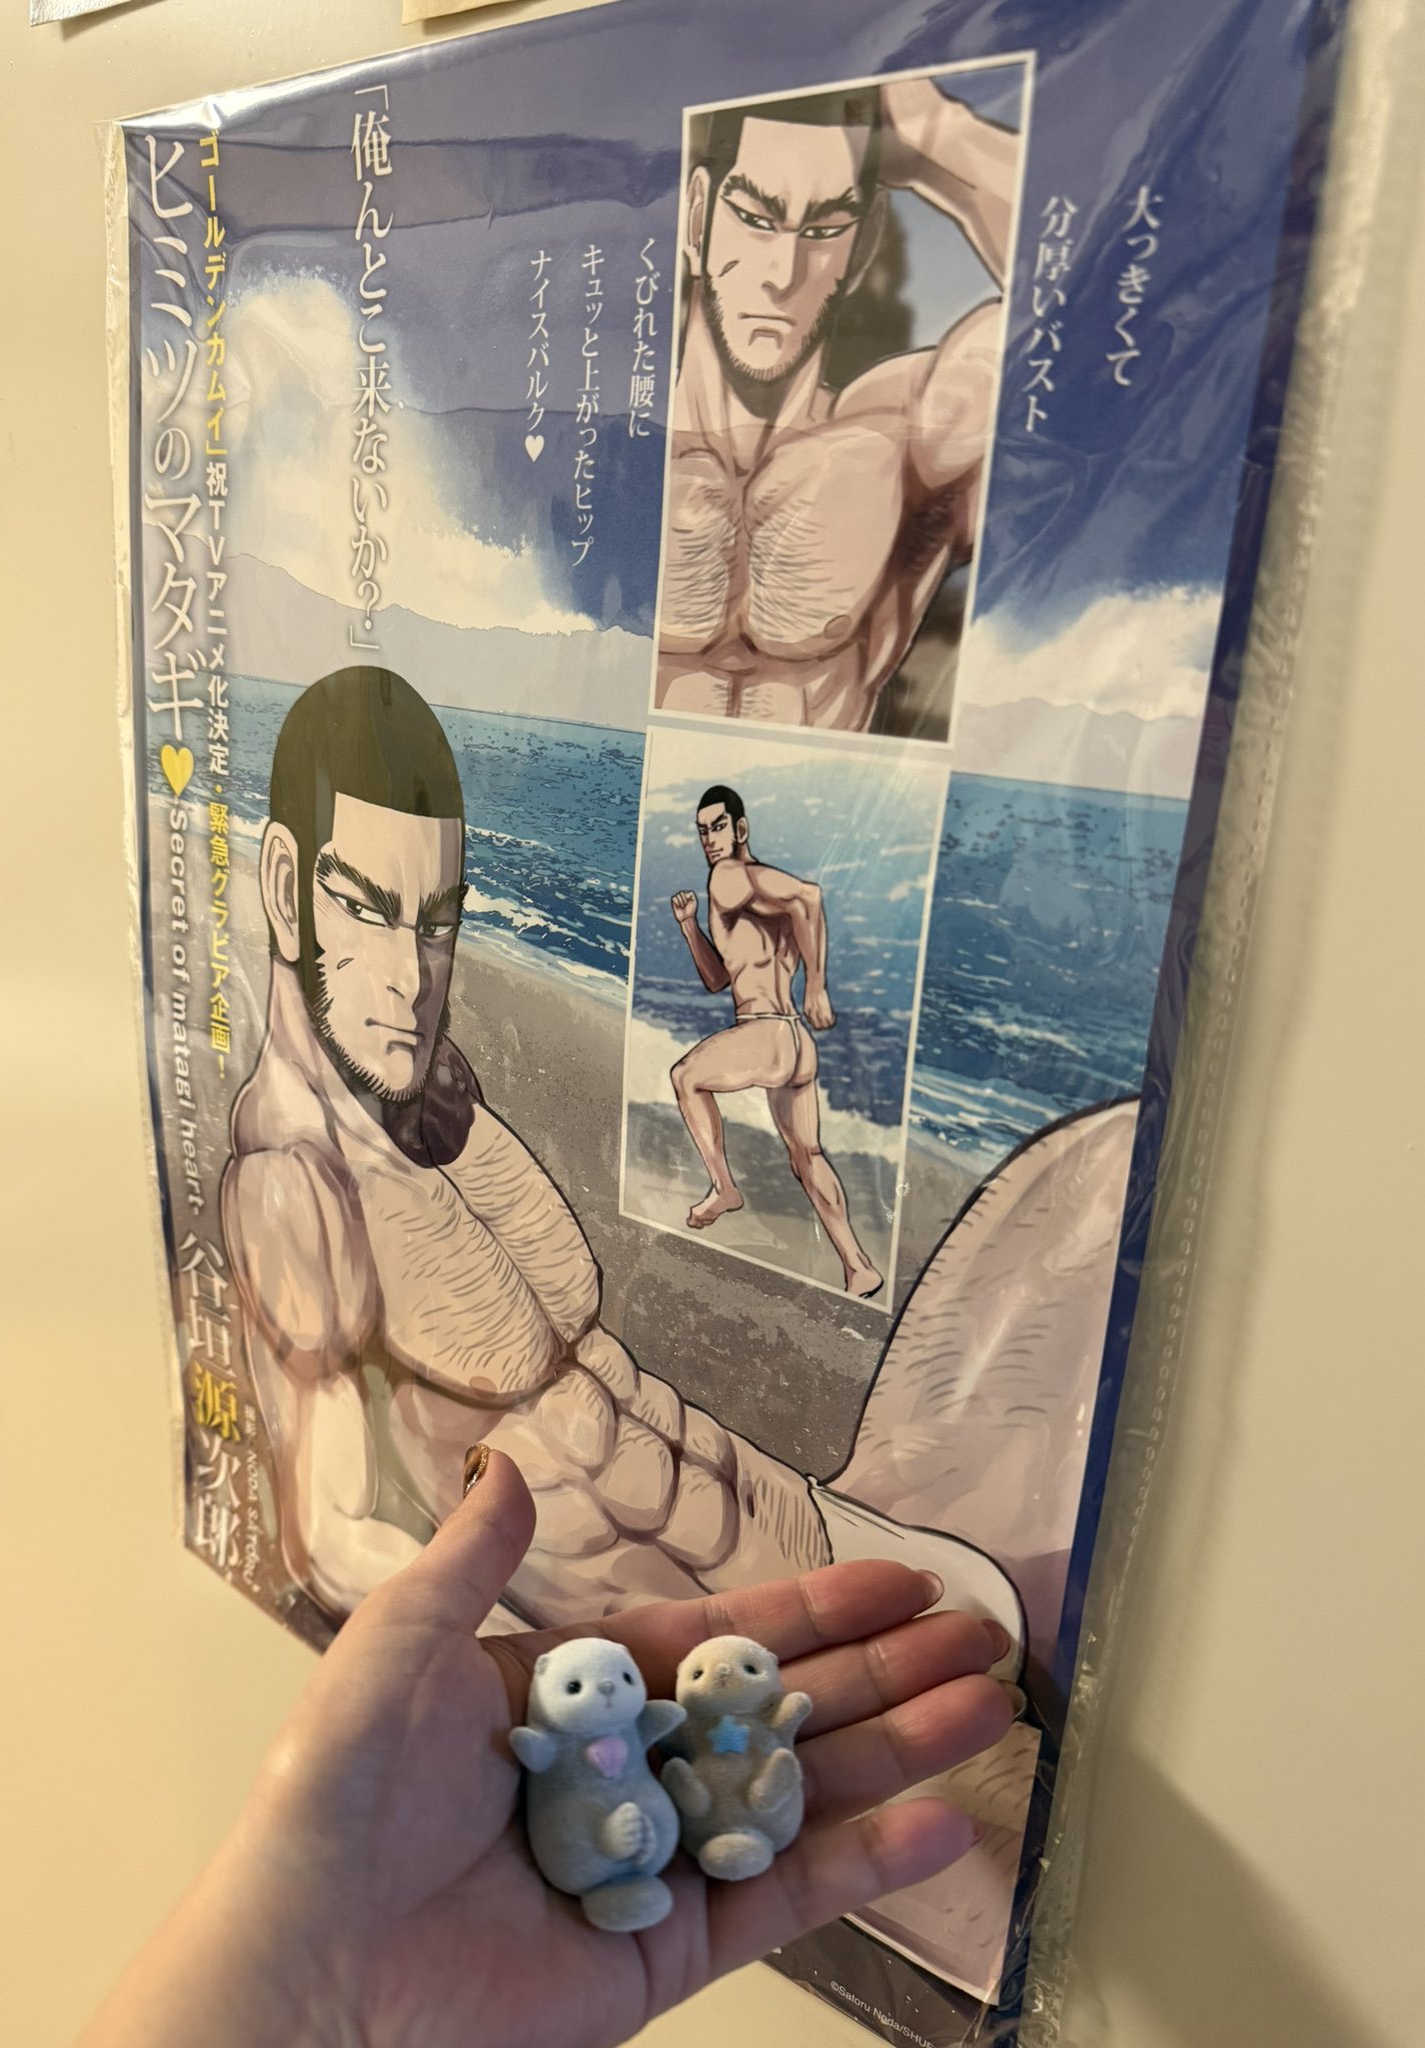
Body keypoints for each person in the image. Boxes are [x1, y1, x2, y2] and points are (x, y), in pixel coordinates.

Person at [222, 667, 1025, 1664]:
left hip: (778, 1515)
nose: (410, 977)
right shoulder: (291, 1181)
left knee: (999, 1612)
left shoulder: (440, 1092)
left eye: (436, 923)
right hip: (701, 1654)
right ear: (284, 888)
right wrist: (559, 1690)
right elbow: (333, 1538)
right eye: (364, 908)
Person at [78, 1447, 1017, 2048]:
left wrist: (744, 1762)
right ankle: (636, 1864)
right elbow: (557, 1754)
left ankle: (691, 1843)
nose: (608, 1694)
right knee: (643, 1824)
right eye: (585, 1691)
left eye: (617, 1685)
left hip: (714, 1805)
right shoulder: (556, 1744)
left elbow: (686, 1737)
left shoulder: (677, 1721)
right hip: (603, 1837)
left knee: (725, 1802)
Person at [655, 77, 1019, 732]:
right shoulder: (621, 445)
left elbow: (1094, 296)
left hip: (812, 796)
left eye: (825, 230)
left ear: (865, 242)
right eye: (755, 219)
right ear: (697, 216)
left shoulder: (900, 441)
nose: (783, 274)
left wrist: (935, 132)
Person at [668, 783, 882, 1297]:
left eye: (719, 827)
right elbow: (719, 979)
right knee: (807, 1156)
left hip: (764, 1031)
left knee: (685, 1076)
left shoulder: (727, 876)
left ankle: (724, 1187)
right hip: (795, 1043)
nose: (709, 839)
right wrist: (690, 927)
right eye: (702, 831)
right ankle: (858, 1266)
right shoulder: (755, 895)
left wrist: (817, 986)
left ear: (740, 828)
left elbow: (810, 896)